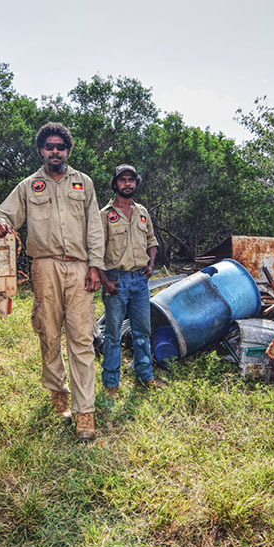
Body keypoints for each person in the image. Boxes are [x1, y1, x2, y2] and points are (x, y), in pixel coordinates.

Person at [0, 123, 105, 442]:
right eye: (49, 146)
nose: (55, 151)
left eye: (61, 147)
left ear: (68, 150)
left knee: (81, 338)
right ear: (41, 150)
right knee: (49, 334)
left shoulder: (84, 183)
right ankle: (59, 396)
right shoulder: (29, 186)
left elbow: (95, 227)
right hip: (44, 268)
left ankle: (85, 414)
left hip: (80, 269)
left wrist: (96, 266)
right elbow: (3, 215)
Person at [98, 164, 163, 397]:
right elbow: (95, 251)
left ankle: (145, 376)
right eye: (123, 180)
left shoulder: (142, 212)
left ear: (136, 183)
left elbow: (152, 242)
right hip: (116, 280)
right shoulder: (105, 215)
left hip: (139, 281)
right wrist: (104, 280)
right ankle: (111, 383)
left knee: (143, 331)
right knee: (113, 333)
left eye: (131, 180)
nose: (128, 184)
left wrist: (151, 264)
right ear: (115, 184)